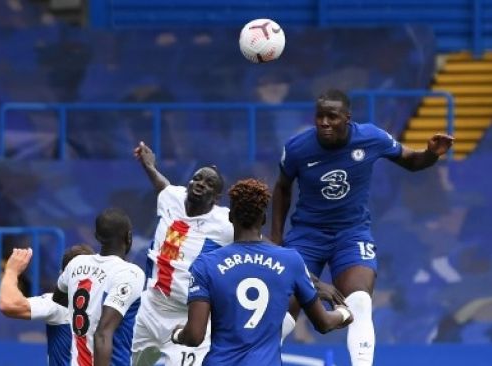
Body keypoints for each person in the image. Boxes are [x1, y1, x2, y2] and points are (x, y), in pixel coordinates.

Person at [271, 89, 454, 365]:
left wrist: (430, 154)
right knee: (284, 311)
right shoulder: (297, 147)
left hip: (351, 234)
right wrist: (276, 240)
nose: (324, 122)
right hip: (306, 236)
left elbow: (412, 162)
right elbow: (282, 188)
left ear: (347, 118)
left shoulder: (371, 137)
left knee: (359, 302)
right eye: (319, 116)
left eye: (332, 116)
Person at [172, 179, 352, 365]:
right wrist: (344, 313)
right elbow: (324, 323)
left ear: (230, 217)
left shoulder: (206, 264)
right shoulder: (291, 261)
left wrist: (178, 334)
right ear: (264, 219)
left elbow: (194, 336)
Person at [131, 142, 234, 366]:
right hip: (151, 307)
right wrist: (149, 165)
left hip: (188, 318)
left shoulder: (225, 223)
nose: (200, 184)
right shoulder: (172, 197)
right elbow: (162, 184)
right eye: (198, 178)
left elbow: (255, 240)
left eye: (209, 183)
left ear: (217, 198)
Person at [54, 208, 145, 366]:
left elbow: (58, 300)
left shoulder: (76, 263)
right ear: (129, 236)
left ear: (97, 236)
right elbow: (103, 334)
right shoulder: (130, 273)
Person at [0, 244, 95, 366]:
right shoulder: (110, 306)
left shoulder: (57, 303)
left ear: (62, 276)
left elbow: (8, 304)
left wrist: (11, 271)